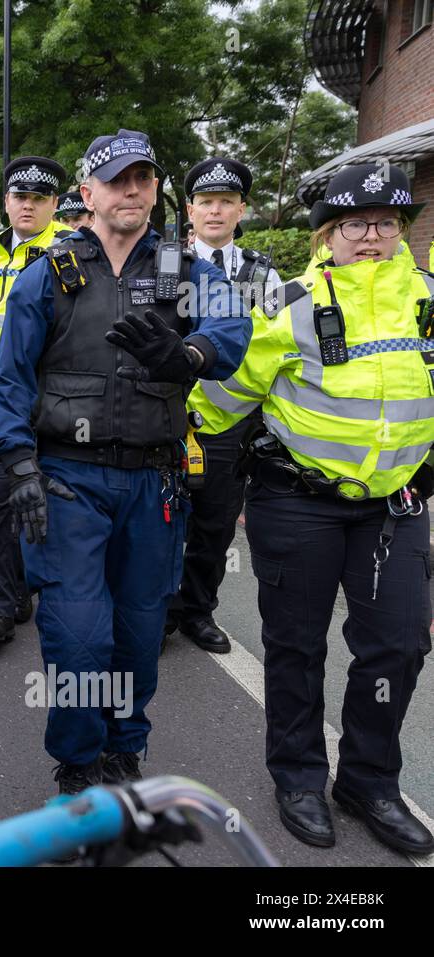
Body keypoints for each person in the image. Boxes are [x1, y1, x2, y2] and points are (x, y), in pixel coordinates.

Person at [0, 129, 250, 797]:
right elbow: (9, 380)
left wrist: (187, 357)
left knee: (137, 633)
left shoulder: (187, 270)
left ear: (156, 190)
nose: (130, 189)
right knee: (77, 635)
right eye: (115, 179)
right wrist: (18, 465)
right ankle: (78, 761)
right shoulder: (48, 275)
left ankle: (124, 749)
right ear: (88, 193)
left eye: (142, 178)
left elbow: (229, 327)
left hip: (153, 485)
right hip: (68, 482)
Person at [188, 163, 434, 856]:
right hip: (298, 502)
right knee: (296, 645)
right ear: (328, 233)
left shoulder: (428, 300)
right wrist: (182, 446)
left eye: (386, 222)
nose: (371, 236)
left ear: (402, 232)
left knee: (398, 644)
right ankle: (297, 775)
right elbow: (222, 398)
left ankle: (369, 782)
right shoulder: (289, 303)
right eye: (354, 223)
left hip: (398, 505)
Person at [167, 157, 281, 653]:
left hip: (230, 427)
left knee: (214, 528)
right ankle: (158, 613)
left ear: (241, 210)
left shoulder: (263, 274)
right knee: (162, 523)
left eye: (226, 203)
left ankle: (196, 612)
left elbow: (285, 349)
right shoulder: (165, 265)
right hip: (166, 417)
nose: (215, 211)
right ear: (190, 210)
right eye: (206, 202)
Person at [0, 156, 74, 645]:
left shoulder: (70, 253)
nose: (28, 206)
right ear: (6, 202)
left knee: (40, 498)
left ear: (54, 205)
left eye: (39, 199)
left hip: (45, 403)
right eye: (19, 197)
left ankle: (27, 585)